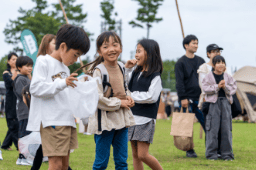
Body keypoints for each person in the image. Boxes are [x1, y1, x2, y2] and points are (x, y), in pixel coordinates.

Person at [27, 24, 90, 170]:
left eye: (79, 56)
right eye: (76, 54)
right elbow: (35, 88)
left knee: (64, 165)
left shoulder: (66, 68)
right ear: (62, 46)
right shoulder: (44, 61)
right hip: (52, 121)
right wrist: (63, 83)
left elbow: (65, 93)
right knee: (55, 165)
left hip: (67, 120)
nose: (76, 59)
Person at [86, 31, 135, 170]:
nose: (111, 49)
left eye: (115, 45)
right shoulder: (98, 71)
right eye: (106, 46)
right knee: (101, 163)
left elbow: (124, 88)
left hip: (122, 120)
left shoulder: (121, 66)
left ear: (120, 47)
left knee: (122, 162)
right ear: (99, 51)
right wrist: (120, 103)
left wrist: (129, 97)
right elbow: (97, 98)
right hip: (105, 122)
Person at [125, 39, 163, 170]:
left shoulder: (155, 76)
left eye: (139, 51)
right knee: (135, 155)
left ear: (150, 54)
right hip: (132, 118)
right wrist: (127, 69)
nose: (136, 54)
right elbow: (124, 85)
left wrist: (131, 96)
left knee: (143, 154)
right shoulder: (135, 72)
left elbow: (152, 97)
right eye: (136, 51)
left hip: (145, 119)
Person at [175, 34, 205, 158]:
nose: (196, 45)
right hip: (187, 98)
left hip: (201, 99)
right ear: (186, 45)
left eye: (197, 43)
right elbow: (179, 82)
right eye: (193, 43)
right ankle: (189, 149)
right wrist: (183, 98)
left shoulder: (201, 61)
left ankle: (211, 148)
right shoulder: (180, 63)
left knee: (207, 123)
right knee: (187, 126)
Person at [202, 55, 237, 160]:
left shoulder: (228, 77)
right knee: (212, 129)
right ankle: (211, 154)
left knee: (226, 129)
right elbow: (205, 88)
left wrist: (225, 86)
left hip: (226, 103)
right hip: (213, 104)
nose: (221, 64)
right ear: (213, 65)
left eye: (223, 62)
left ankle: (226, 154)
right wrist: (217, 86)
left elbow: (233, 88)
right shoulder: (208, 76)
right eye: (218, 62)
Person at [13, 56, 33, 165]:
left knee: (26, 135)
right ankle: (23, 157)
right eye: (27, 66)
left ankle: (23, 157)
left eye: (31, 66)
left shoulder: (25, 78)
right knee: (24, 135)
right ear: (19, 67)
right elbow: (24, 95)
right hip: (25, 112)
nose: (30, 68)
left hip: (28, 112)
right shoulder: (20, 79)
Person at [1, 53, 19, 151]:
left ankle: (5, 145)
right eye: (13, 59)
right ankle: (19, 146)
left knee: (15, 123)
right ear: (8, 61)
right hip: (10, 102)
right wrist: (16, 71)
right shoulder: (6, 73)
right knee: (13, 124)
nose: (15, 61)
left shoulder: (20, 72)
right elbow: (11, 84)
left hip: (19, 101)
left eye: (16, 59)